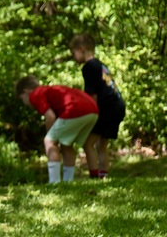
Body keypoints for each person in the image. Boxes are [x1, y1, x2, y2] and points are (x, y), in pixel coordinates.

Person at [15, 75, 99, 184]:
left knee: (49, 141)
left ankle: (54, 182)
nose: (24, 103)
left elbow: (50, 116)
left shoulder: (35, 94)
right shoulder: (48, 90)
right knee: (66, 143)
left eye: (22, 99)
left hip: (76, 109)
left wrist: (51, 138)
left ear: (26, 92)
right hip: (93, 110)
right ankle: (68, 181)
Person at [69, 34, 126, 179]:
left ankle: (94, 176)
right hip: (117, 106)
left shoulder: (88, 68)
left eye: (73, 53)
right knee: (101, 144)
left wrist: (84, 118)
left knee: (88, 143)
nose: (73, 57)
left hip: (106, 108)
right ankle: (103, 175)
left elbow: (92, 97)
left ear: (81, 49)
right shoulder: (100, 65)